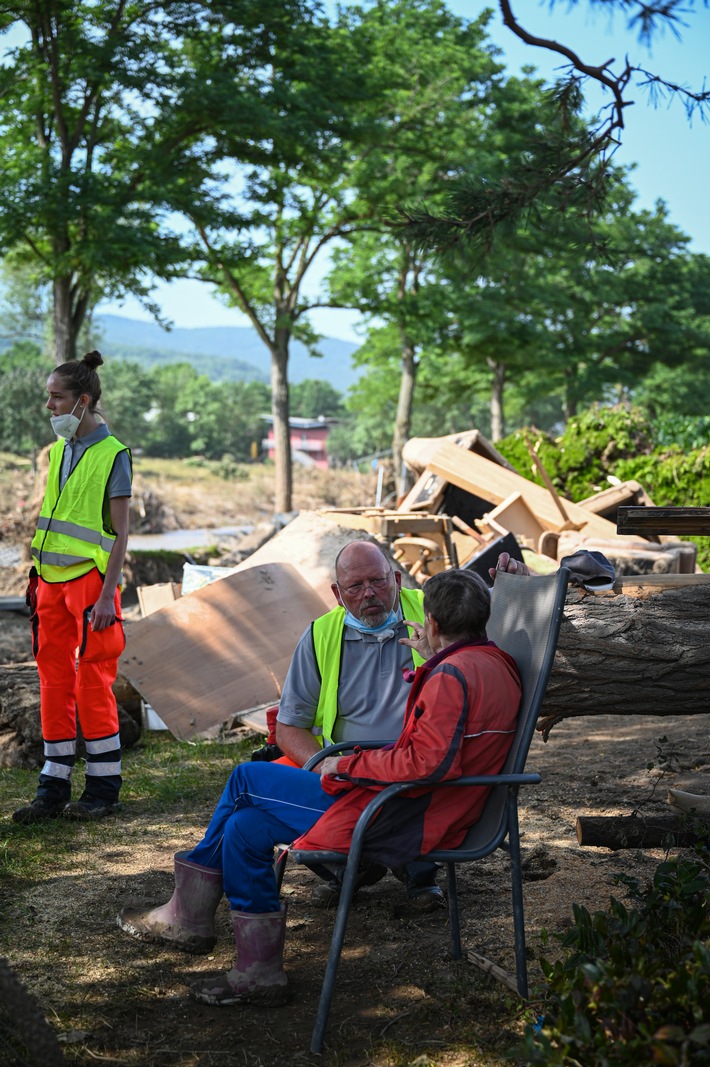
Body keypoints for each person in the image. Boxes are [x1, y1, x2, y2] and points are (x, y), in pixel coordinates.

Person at [117, 567, 522, 1007]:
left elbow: (425, 763)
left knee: (245, 778)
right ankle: (259, 973)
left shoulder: (452, 677)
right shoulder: (491, 663)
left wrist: (346, 764)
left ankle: (191, 915)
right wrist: (433, 655)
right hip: (421, 805)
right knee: (245, 828)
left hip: (401, 813)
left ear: (435, 624)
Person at [12, 351, 132, 824]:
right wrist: (35, 579)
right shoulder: (59, 450)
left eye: (56, 397)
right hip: (48, 584)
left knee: (92, 681)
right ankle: (52, 787)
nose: (49, 406)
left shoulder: (114, 454)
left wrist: (108, 595)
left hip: (90, 586)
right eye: (48, 396)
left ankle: (103, 790)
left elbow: (120, 534)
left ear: (82, 401)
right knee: (53, 682)